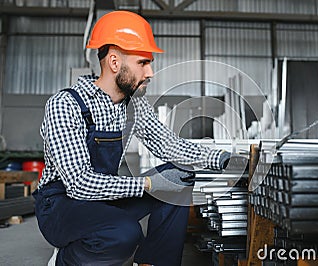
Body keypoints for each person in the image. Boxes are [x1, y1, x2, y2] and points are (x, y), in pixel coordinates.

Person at [33, 10, 237, 266]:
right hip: (61, 205)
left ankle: (153, 262)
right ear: (115, 62)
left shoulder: (134, 105)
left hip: (102, 198)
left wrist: (222, 159)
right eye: (143, 63)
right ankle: (66, 259)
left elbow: (169, 145)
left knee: (180, 176)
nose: (150, 72)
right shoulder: (66, 105)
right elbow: (79, 184)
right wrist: (149, 184)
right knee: (125, 234)